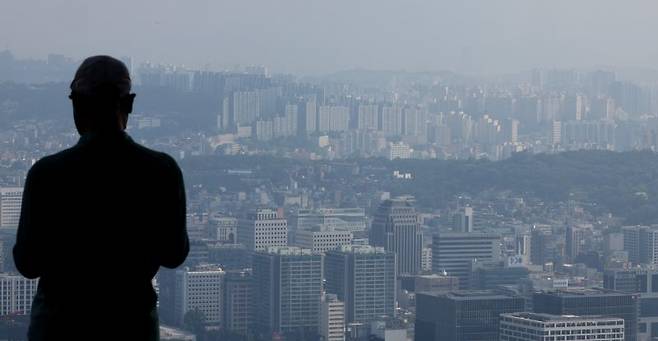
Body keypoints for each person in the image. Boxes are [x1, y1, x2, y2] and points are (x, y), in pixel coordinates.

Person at [13, 55, 189, 340]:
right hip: (131, 325)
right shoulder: (161, 171)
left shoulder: (47, 174)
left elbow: (27, 263)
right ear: (128, 104)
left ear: (77, 105)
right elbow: (174, 254)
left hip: (59, 326)